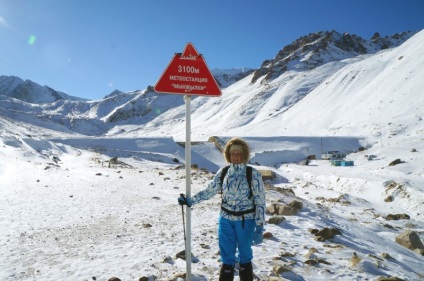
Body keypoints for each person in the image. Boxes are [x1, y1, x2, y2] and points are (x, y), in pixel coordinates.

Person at [178, 137, 266, 281]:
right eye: (233, 154)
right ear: (228, 155)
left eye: (239, 153)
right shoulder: (224, 172)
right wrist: (190, 201)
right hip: (225, 220)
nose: (236, 156)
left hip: (246, 221)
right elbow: (209, 191)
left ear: (244, 155)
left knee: (245, 257)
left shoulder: (253, 174)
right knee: (227, 258)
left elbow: (260, 201)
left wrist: (260, 227)